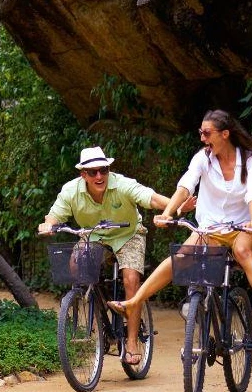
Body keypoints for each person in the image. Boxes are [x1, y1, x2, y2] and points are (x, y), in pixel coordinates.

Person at [107, 109, 252, 327]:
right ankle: (134, 301)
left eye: (207, 133)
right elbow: (185, 186)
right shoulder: (203, 158)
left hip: (243, 228)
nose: (202, 138)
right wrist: (167, 213)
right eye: (201, 133)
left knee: (241, 250)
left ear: (225, 134)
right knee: (180, 258)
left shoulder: (250, 161)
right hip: (210, 229)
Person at [37, 146, 194, 365]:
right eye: (93, 172)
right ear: (83, 175)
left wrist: (176, 206)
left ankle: (131, 342)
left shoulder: (122, 184)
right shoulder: (70, 191)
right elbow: (54, 215)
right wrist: (48, 225)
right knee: (75, 265)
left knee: (131, 279)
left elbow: (151, 198)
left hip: (128, 234)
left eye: (103, 170)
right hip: (93, 236)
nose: (99, 176)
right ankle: (95, 319)